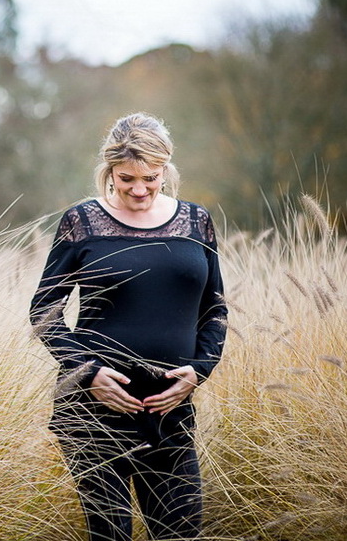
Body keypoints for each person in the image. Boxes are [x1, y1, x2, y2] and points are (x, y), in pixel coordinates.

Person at [30, 112, 227, 541]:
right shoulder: (81, 223)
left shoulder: (196, 222)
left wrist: (198, 372)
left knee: (180, 531)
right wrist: (87, 372)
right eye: (126, 179)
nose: (139, 189)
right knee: (111, 535)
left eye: (151, 178)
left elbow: (215, 310)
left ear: (166, 170)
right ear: (109, 172)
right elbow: (43, 309)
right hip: (93, 413)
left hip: (169, 412)